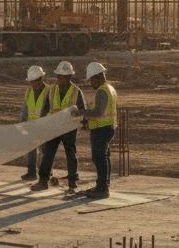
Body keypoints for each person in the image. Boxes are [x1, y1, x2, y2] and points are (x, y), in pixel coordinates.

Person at [32, 61, 87, 191]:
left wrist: (83, 121)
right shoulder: (52, 89)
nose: (61, 80)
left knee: (71, 153)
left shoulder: (76, 91)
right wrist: (42, 123)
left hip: (69, 128)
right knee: (48, 153)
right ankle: (43, 181)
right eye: (59, 77)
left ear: (69, 77)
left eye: (64, 77)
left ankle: (72, 181)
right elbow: (45, 108)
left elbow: (83, 110)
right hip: (54, 127)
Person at [72, 62, 117, 199]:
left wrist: (81, 112)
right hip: (107, 127)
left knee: (99, 158)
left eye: (91, 80)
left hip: (101, 129)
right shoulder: (109, 88)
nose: (90, 83)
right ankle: (102, 185)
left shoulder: (102, 91)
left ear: (97, 77)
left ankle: (102, 188)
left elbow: (98, 112)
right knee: (104, 158)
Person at [19, 65, 53, 181]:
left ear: (41, 79)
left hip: (45, 126)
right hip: (31, 126)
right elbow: (25, 108)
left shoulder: (49, 91)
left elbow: (52, 109)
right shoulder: (29, 92)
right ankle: (31, 173)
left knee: (45, 151)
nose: (33, 84)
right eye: (31, 81)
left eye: (35, 81)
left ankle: (47, 173)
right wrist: (22, 124)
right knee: (32, 149)